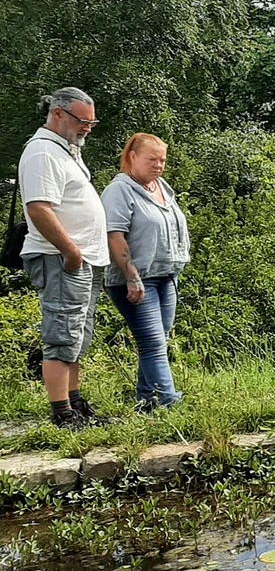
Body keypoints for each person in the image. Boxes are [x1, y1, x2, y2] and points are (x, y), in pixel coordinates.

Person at [17, 87, 109, 429]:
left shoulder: (66, 151)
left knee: (77, 334)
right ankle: (62, 413)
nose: (87, 127)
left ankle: (74, 401)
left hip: (82, 261)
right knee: (61, 334)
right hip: (61, 259)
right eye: (82, 120)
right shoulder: (43, 152)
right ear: (58, 114)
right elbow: (39, 208)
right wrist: (71, 252)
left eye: (91, 121)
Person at [102, 133, 190, 412]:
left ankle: (146, 400)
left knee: (158, 341)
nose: (159, 165)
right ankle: (170, 401)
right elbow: (114, 234)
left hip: (167, 276)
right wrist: (131, 276)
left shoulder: (161, 186)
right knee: (152, 342)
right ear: (132, 157)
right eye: (152, 159)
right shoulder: (119, 190)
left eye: (162, 159)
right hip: (135, 280)